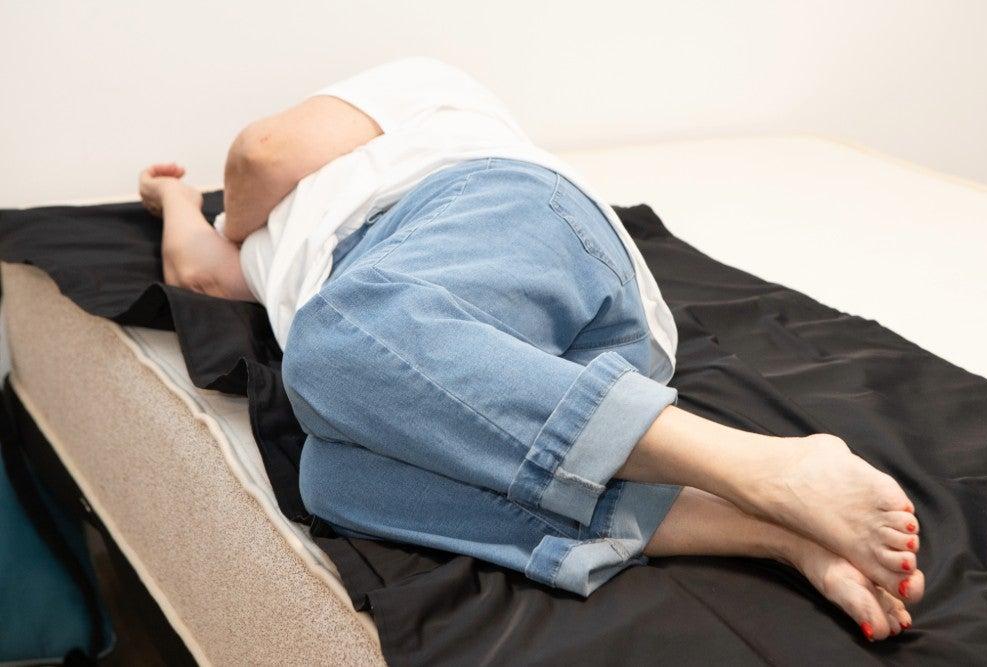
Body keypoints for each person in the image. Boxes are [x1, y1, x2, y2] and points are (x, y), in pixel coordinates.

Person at [137, 58, 923, 641]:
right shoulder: (285, 255)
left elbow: (261, 154)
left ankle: (763, 464)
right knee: (330, 473)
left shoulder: (420, 102)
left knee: (327, 341)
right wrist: (175, 196)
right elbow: (195, 271)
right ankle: (772, 529)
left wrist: (232, 213)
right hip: (539, 373)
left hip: (501, 217)